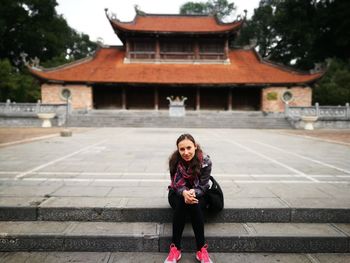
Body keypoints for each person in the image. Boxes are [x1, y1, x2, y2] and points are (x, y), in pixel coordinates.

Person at [164, 133, 213, 263]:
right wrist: (185, 193)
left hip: (198, 193)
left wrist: (192, 193)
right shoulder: (174, 161)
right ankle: (175, 249)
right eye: (182, 149)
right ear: (178, 150)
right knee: (183, 201)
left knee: (193, 203)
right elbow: (176, 185)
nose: (186, 152)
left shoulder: (205, 161)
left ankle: (201, 250)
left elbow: (203, 186)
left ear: (195, 146)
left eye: (189, 148)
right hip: (177, 193)